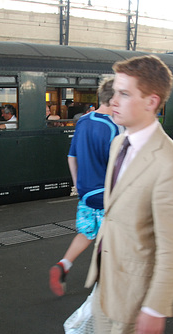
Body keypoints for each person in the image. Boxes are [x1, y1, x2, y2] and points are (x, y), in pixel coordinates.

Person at [83, 55, 173, 334]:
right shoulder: (120, 144)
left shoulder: (169, 163)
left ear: (151, 102)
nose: (113, 100)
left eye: (124, 94)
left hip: (137, 293)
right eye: (114, 91)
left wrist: (155, 306)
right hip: (106, 279)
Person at [49, 77, 119, 296]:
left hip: (87, 192)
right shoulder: (114, 127)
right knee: (114, 237)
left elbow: (71, 157)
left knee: (87, 232)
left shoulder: (83, 120)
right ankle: (107, 282)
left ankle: (63, 265)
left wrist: (78, 186)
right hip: (108, 194)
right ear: (115, 98)